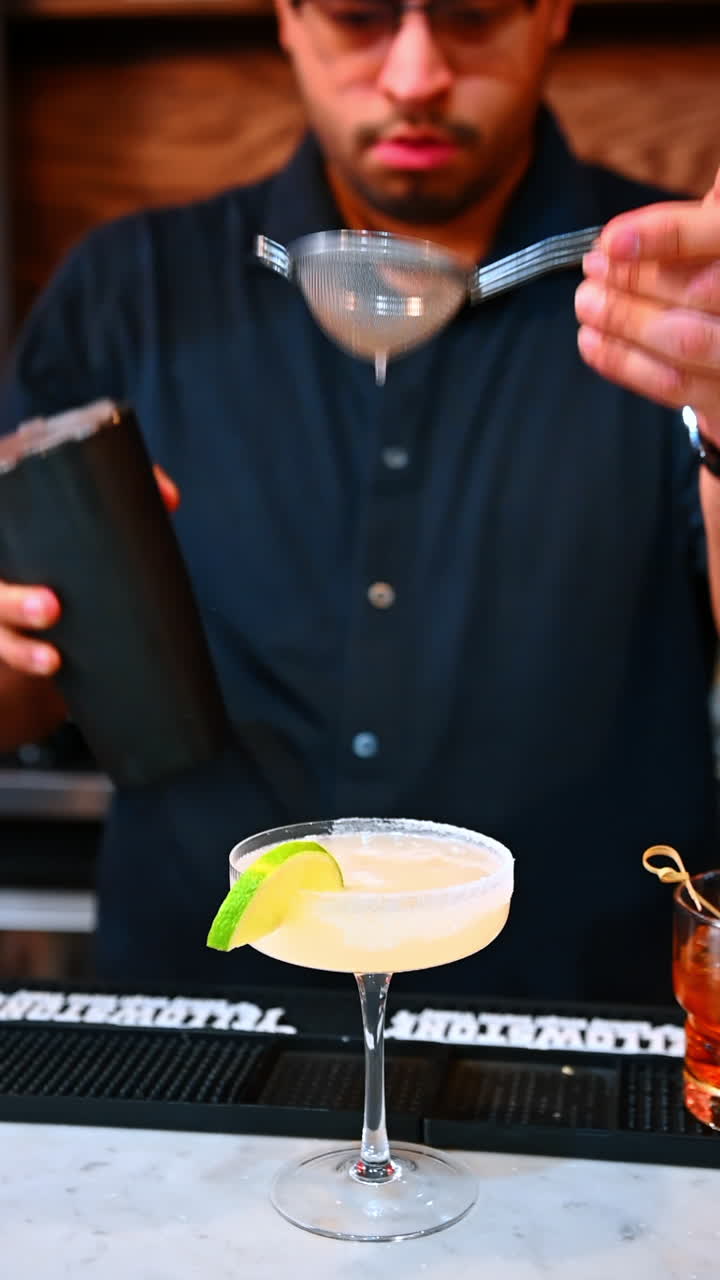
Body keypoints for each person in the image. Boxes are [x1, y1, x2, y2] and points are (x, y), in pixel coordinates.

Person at [0, 0, 719, 1004]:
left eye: (471, 15)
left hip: (576, 1025)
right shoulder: (129, 290)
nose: (415, 75)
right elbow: (25, 698)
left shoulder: (684, 302)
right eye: (359, 17)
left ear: (551, 13)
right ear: (289, 17)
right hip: (202, 1022)